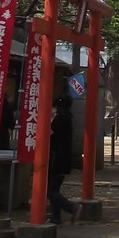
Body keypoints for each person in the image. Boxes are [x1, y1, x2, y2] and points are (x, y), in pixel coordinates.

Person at [48, 94, 82, 224]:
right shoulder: (67, 118)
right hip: (62, 158)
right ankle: (55, 217)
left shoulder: (60, 119)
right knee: (54, 188)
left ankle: (71, 207)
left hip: (56, 159)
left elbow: (49, 133)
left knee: (49, 190)